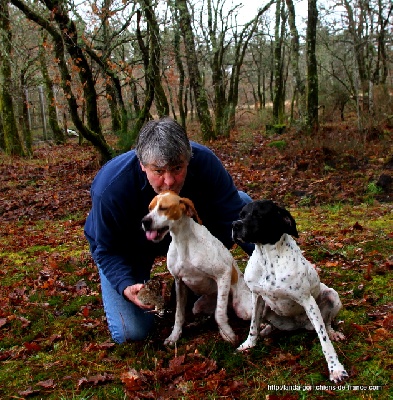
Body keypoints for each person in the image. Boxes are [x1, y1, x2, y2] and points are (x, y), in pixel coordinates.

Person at [84, 117, 253, 343]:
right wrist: (125, 284)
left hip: (189, 238)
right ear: (142, 165)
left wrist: (270, 257)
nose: (169, 181)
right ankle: (161, 291)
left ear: (188, 159)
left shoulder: (205, 162)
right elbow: (105, 248)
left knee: (243, 201)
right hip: (131, 248)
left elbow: (233, 213)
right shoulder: (111, 189)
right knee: (131, 333)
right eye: (158, 171)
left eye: (177, 168)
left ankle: (189, 285)